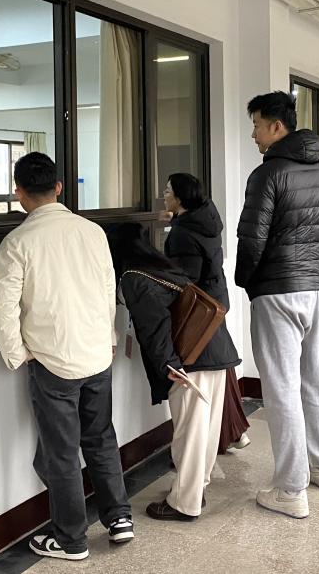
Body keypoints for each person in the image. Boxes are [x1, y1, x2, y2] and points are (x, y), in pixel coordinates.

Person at [0, 152, 132, 562]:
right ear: (58, 187)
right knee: (101, 438)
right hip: (96, 354)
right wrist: (108, 337)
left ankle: (71, 540)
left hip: (52, 362)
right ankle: (119, 518)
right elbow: (108, 289)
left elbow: (2, 308)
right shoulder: (92, 232)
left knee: (62, 453)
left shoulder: (18, 243)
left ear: (18, 193)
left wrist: (19, 355)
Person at [235, 90, 319, 519]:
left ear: (276, 127)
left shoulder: (268, 174)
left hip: (277, 290)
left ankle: (291, 489)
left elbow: (252, 240)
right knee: (312, 381)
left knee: (281, 389)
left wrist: (248, 281)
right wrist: (310, 263)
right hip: (316, 288)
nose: (253, 135)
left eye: (257, 126)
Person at [108, 222, 241, 522]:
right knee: (204, 431)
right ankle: (196, 489)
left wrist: (169, 364)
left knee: (189, 434)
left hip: (189, 361)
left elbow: (154, 326)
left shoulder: (134, 277)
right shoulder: (162, 266)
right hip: (215, 348)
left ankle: (184, 503)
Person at [161, 172, 251, 454]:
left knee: (207, 371)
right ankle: (235, 431)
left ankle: (223, 436)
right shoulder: (205, 220)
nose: (164, 195)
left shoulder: (183, 233)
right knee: (220, 366)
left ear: (180, 198)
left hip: (198, 311)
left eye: (168, 191)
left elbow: (185, 278)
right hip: (215, 301)